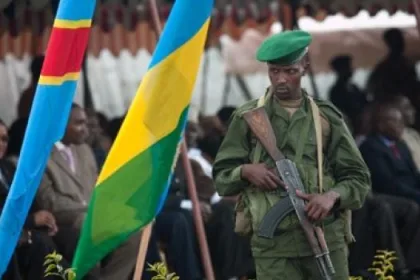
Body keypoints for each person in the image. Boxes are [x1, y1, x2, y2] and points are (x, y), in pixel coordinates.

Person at [213, 30, 371, 280]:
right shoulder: (248, 118)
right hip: (273, 247)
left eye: (290, 71)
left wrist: (331, 196)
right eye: (274, 72)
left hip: (324, 237)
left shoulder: (326, 117)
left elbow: (359, 178)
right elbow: (221, 176)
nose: (281, 80)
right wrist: (245, 171)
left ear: (305, 66)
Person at [328, 55, 368, 128]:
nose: (351, 70)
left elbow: (365, 103)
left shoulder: (354, 87)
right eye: (347, 68)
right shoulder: (336, 92)